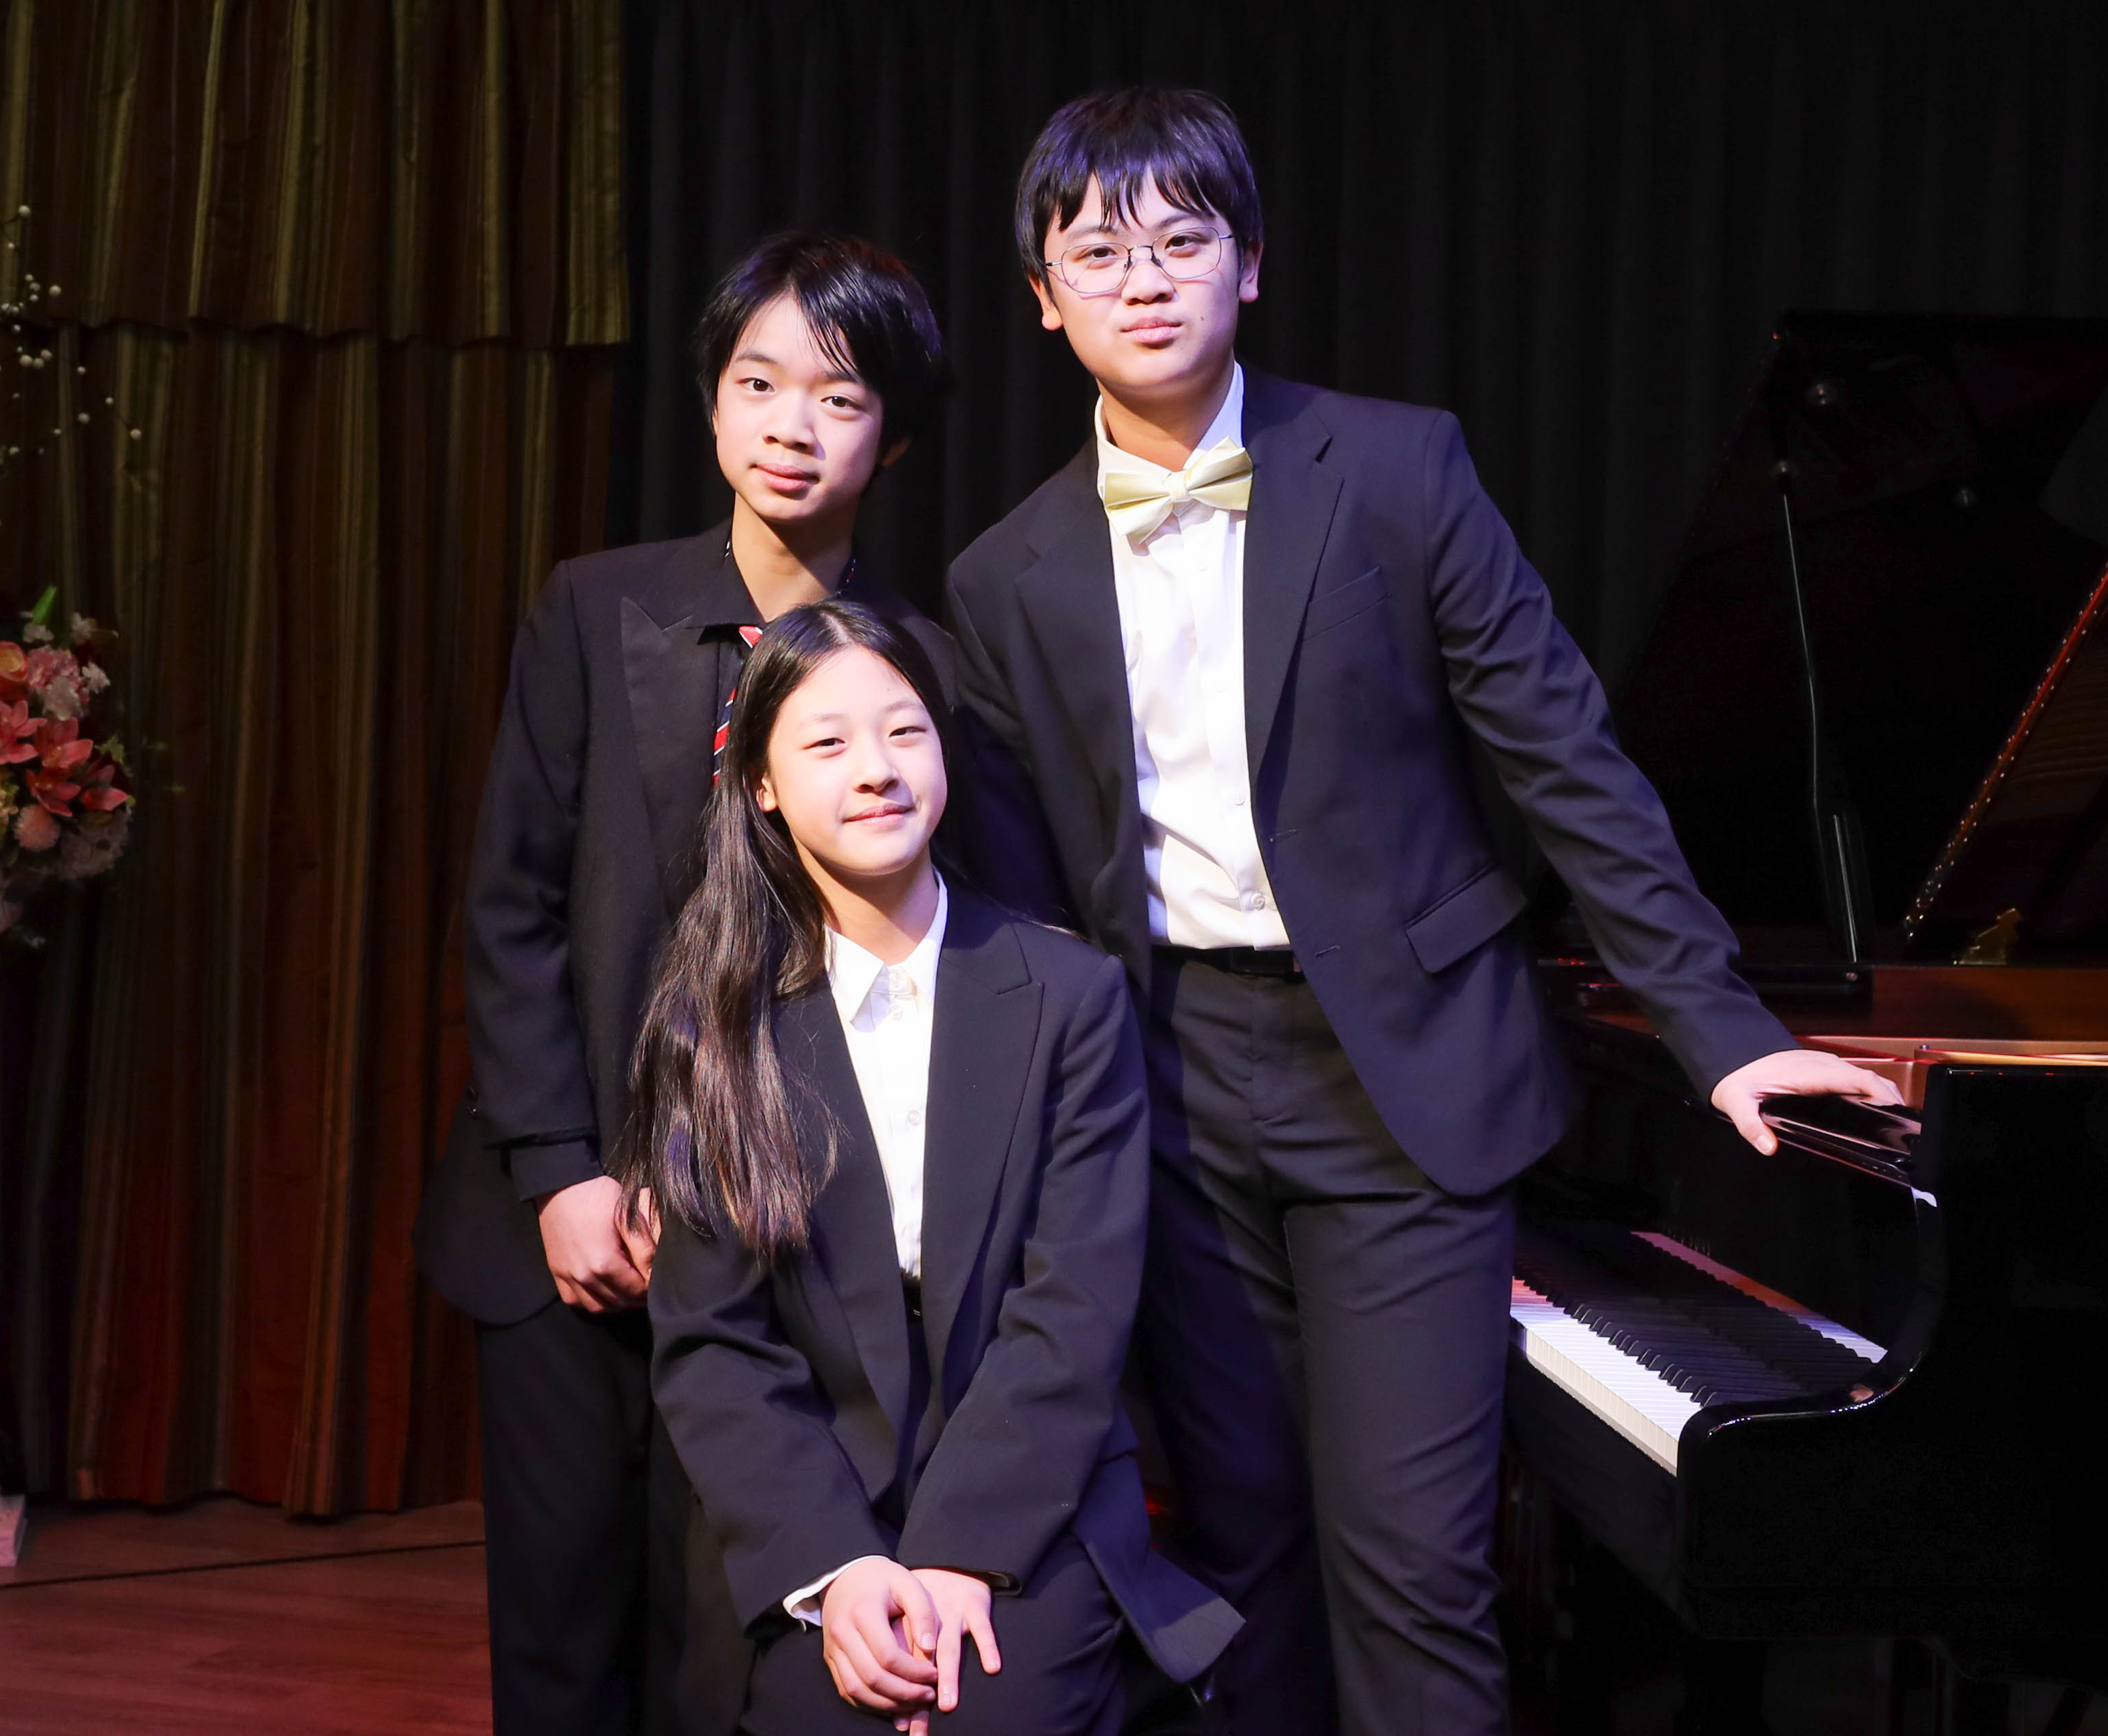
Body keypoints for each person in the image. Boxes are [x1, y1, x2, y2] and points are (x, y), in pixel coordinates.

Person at [942, 87, 1907, 1736]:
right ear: (1044, 297)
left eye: (1182, 239)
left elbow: (1565, 757)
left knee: (1411, 1568)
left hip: (1397, 1076)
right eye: (1097, 252)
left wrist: (1721, 1030)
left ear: (1251, 262)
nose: (1144, 278)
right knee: (1239, 1558)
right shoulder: (1001, 574)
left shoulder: (1395, 466)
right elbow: (1028, 903)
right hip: (1167, 1093)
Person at [413, 231, 957, 1735]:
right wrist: (562, 1170)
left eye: (838, 397)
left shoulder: (916, 664)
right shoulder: (595, 610)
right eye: (756, 383)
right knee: (562, 1633)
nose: (790, 425)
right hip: (569, 1216)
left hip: (783, 1233)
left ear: (894, 437)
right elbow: (513, 907)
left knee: (722, 1646)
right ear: (713, 401)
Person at [628, 600, 1240, 1735]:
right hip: (811, 1500)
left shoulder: (1069, 996)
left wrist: (965, 1552)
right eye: (826, 742)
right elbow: (716, 1344)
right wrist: (837, 1567)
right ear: (761, 784)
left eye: (904, 730)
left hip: (1028, 1488)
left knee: (993, 1709)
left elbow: (1074, 1310)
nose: (876, 768)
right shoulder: (715, 1026)